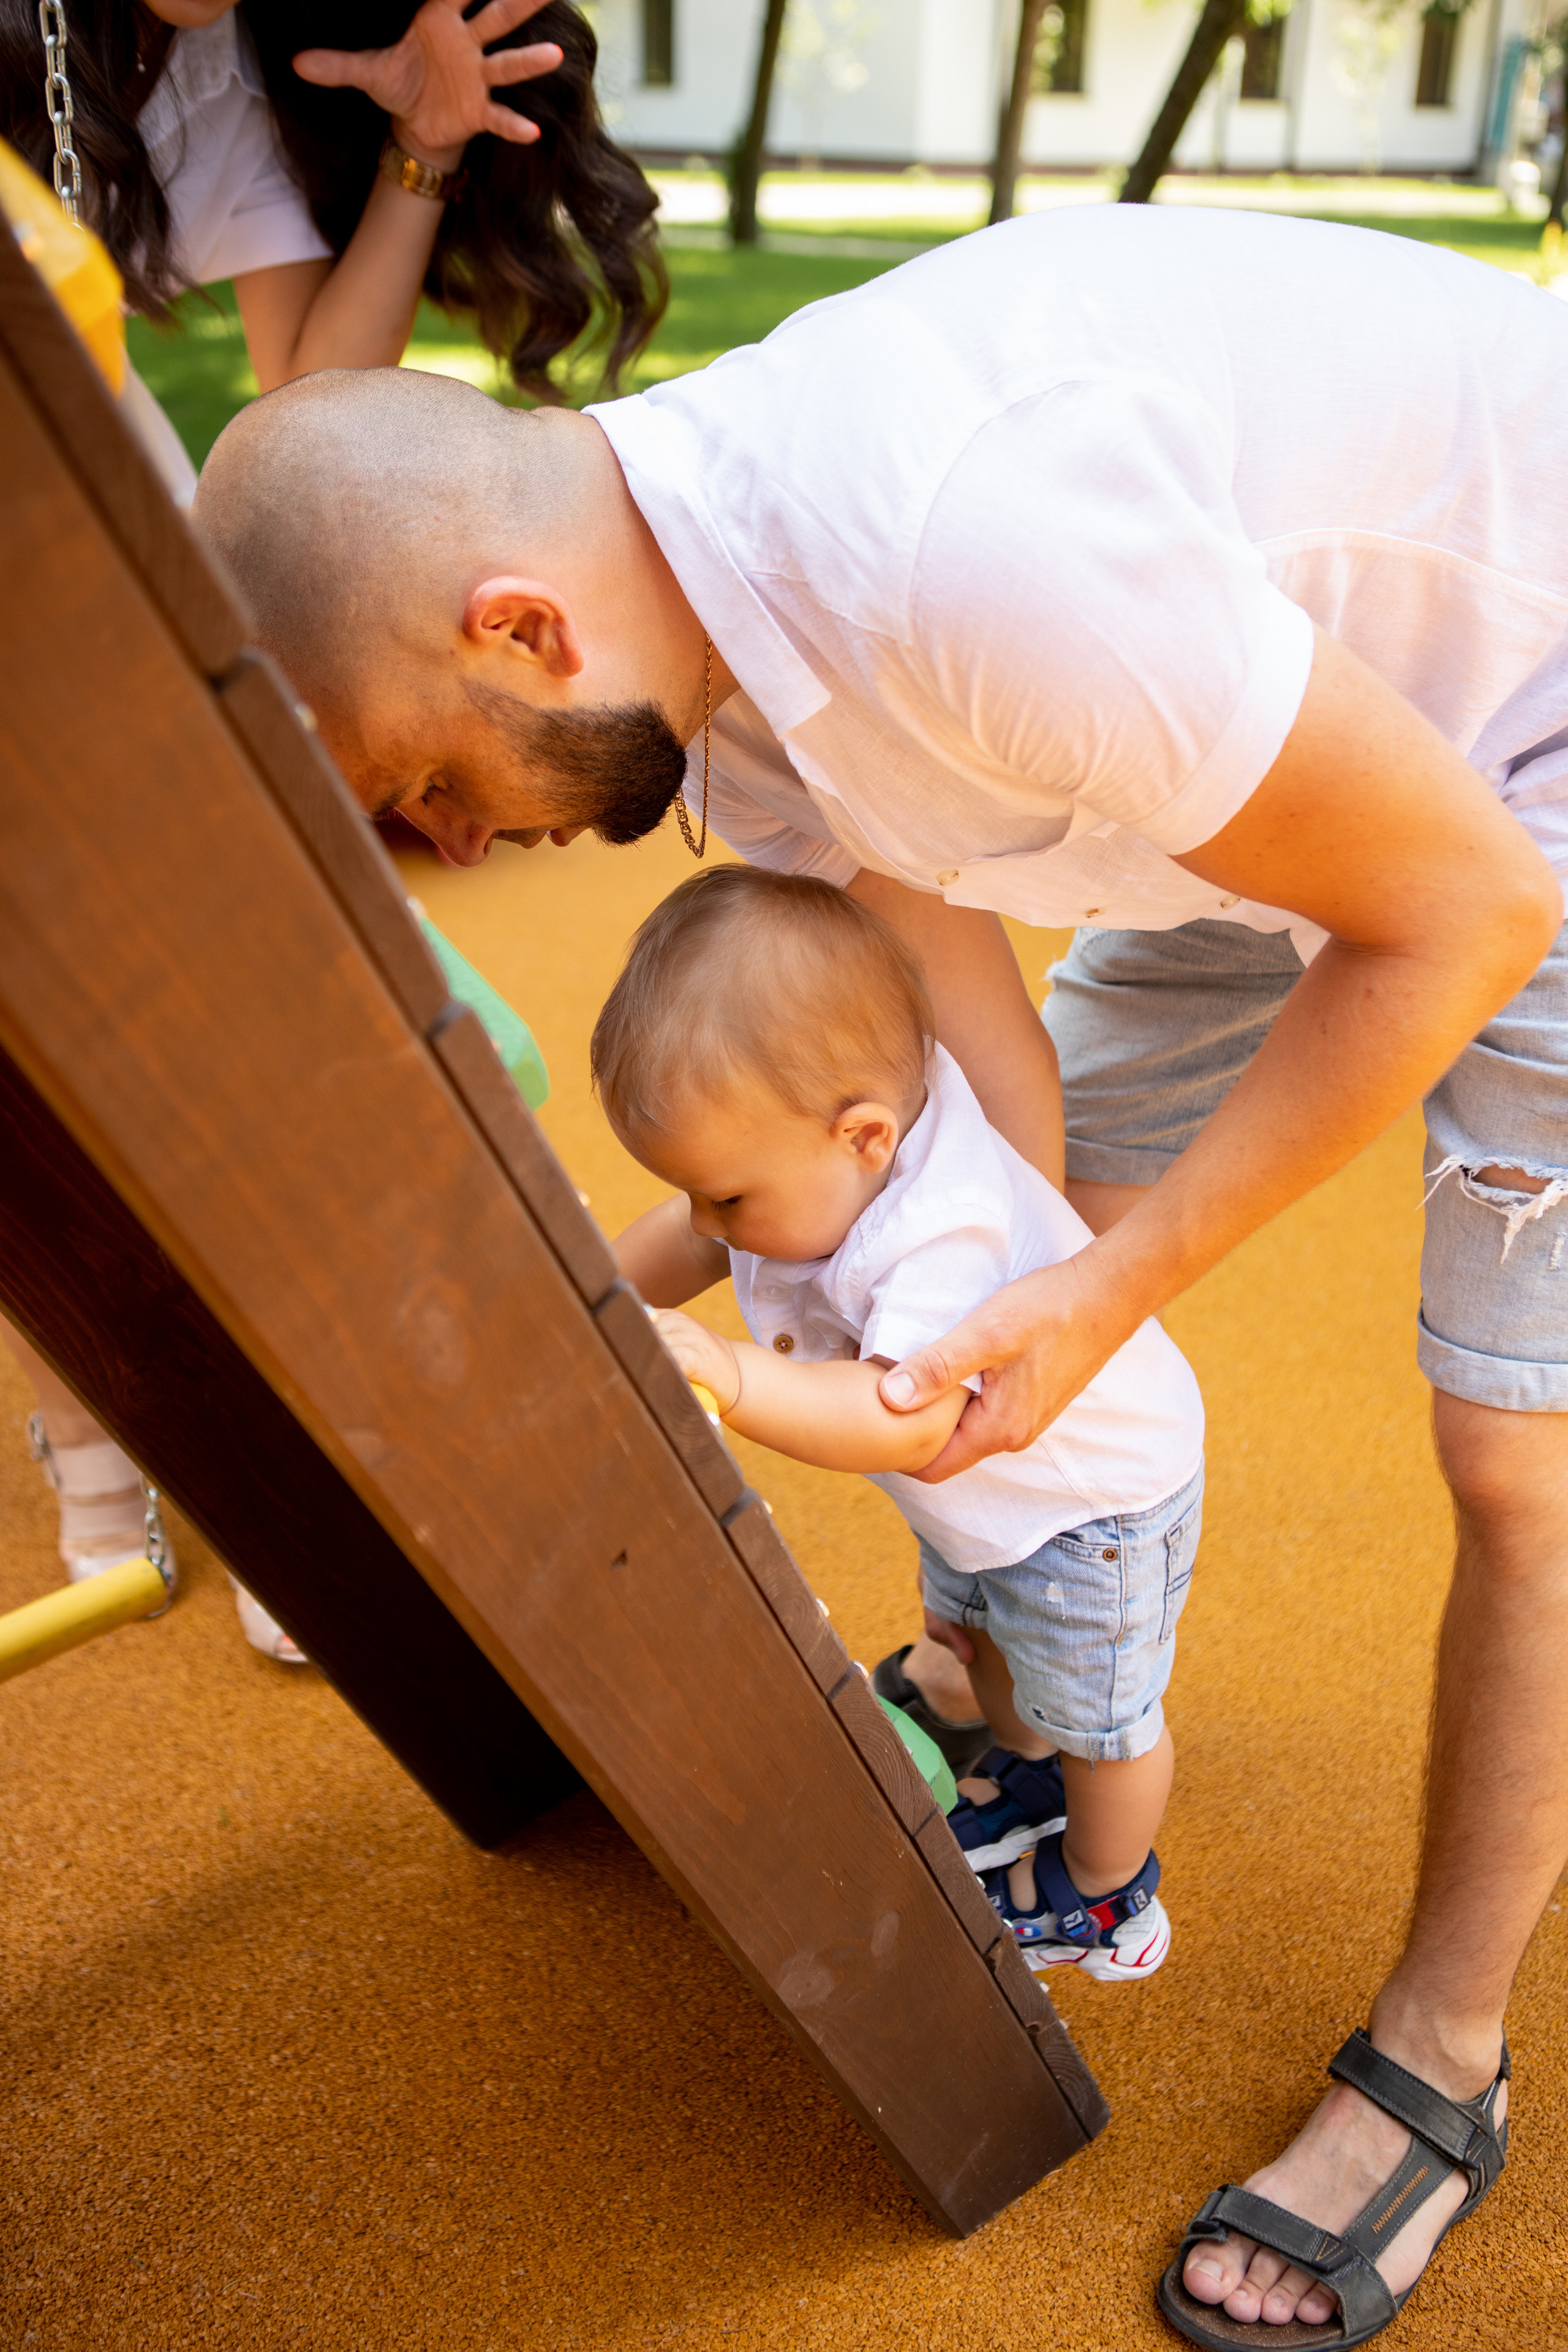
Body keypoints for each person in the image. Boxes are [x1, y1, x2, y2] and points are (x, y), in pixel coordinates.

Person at [193, 203, 1565, 2342]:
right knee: (995, 1235)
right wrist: (613, 1284)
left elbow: (1463, 909)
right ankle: (1036, 1647)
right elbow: (966, 1097)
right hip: (1267, 753)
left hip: (1525, 752)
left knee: (1517, 1456)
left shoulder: (955, 545)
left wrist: (1102, 1301)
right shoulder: (721, 686)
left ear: (523, 631)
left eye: (430, 784)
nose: (458, 842)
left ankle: (1444, 2059)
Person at [0, 0, 661, 1657]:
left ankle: (305, 1455)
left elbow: (309, 392)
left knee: (231, 1006)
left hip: (95, 529)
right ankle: (101, 1451)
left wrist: (425, 145)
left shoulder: (196, 53)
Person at [597, 864, 1204, 1982]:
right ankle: (1026, 1777)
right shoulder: (811, 1148)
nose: (705, 1221)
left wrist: (729, 1372)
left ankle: (1109, 1896)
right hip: (992, 1508)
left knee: (1104, 1721)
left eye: (725, 1196)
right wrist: (592, 1293)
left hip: (1089, 1510)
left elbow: (900, 1421)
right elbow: (687, 1245)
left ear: (866, 1138)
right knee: (986, 1647)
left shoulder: (941, 1233)